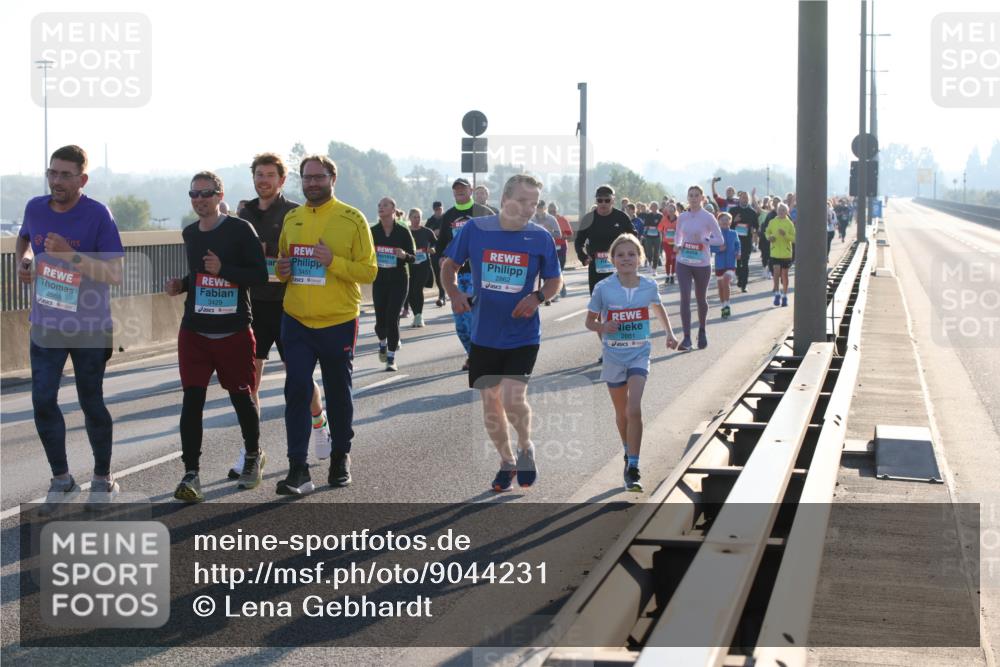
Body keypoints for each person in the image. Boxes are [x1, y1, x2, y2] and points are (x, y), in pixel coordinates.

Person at [16, 144, 125, 510]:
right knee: (42, 400)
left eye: (65, 174)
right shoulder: (35, 208)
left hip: (89, 327)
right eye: (52, 173)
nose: (57, 181)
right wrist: (25, 260)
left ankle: (103, 479)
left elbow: (114, 274)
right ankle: (61, 480)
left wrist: (69, 255)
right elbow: (25, 238)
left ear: (82, 179)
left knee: (91, 401)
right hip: (46, 324)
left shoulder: (98, 215)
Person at [441, 174, 562, 492]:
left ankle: (525, 446)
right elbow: (449, 265)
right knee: (491, 402)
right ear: (505, 199)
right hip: (484, 334)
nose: (528, 208)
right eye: (522, 201)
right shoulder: (475, 229)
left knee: (512, 397)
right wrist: (454, 293)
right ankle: (507, 462)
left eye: (534, 203)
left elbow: (554, 280)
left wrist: (537, 297)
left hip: (523, 334)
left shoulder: (540, 237)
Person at [273, 155, 377, 495]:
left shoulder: (352, 218)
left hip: (338, 321)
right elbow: (282, 264)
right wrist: (283, 270)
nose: (312, 183)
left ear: (333, 178)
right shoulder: (292, 218)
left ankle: (340, 456)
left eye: (319, 177)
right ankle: (297, 468)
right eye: (307, 178)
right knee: (296, 390)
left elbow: (369, 271)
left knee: (337, 391)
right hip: (297, 320)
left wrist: (333, 261)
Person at [165, 171, 269, 502]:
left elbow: (259, 275)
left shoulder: (241, 229)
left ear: (219, 195)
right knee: (192, 400)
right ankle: (191, 473)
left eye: (205, 193)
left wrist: (223, 269)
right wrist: (181, 284)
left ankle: (253, 454)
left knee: (241, 397)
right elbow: (199, 274)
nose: (199, 200)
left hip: (233, 331)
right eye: (193, 194)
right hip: (195, 331)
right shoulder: (190, 233)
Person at [236, 152, 330, 480]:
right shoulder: (244, 213)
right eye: (259, 175)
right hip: (253, 305)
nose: (263, 181)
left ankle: (319, 422)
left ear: (282, 180)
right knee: (250, 381)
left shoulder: (294, 213)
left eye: (269, 175)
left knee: (299, 378)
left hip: (288, 305)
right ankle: (252, 450)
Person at [586, 234, 678, 491]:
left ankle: (634, 467)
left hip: (639, 353)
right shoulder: (603, 288)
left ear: (640, 257)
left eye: (631, 254)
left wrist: (670, 334)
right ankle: (628, 452)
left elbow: (658, 308)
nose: (626, 258)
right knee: (621, 413)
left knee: (633, 409)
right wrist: (603, 326)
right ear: (612, 260)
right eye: (620, 255)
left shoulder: (649, 285)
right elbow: (590, 321)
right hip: (614, 356)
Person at [434, 178, 494, 370]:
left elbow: (500, 239)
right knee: (461, 324)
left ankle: (483, 357)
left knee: (478, 320)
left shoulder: (484, 212)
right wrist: (442, 258)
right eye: (456, 189)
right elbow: (441, 244)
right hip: (459, 275)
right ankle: (473, 354)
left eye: (463, 188)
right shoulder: (449, 216)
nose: (459, 191)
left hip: (482, 275)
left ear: (471, 190)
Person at [574, 185, 637, 361]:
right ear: (596, 200)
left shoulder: (621, 217)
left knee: (622, 307)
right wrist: (583, 257)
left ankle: (625, 344)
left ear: (613, 200)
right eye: (600, 200)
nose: (603, 203)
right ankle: (608, 348)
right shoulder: (589, 218)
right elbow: (578, 241)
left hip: (620, 269)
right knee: (600, 309)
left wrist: (631, 257)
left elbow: (633, 237)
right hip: (597, 269)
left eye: (607, 200)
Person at [675, 185, 724, 350]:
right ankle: (686, 338)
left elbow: (720, 240)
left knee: (701, 298)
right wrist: (678, 244)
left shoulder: (708, 217)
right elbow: (678, 236)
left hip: (702, 263)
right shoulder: (682, 217)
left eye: (697, 195)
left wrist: (705, 240)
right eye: (691, 195)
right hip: (683, 261)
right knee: (685, 298)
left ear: (702, 198)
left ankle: (702, 331)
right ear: (687, 198)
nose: (693, 198)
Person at [372, 197, 416, 371]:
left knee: (392, 318)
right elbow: (364, 254)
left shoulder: (403, 231)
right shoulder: (372, 231)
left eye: (385, 205)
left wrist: (404, 255)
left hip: (399, 280)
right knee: (380, 322)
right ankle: (382, 343)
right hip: (379, 280)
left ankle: (391, 358)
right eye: (379, 205)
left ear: (393, 209)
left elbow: (413, 257)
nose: (381, 207)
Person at [407, 207, 436, 328]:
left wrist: (433, 249)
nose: (417, 219)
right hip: (409, 266)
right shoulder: (405, 231)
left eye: (419, 217)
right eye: (414, 217)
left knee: (417, 289)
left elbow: (436, 243)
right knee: (410, 292)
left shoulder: (427, 231)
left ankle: (419, 316)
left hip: (423, 265)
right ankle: (416, 315)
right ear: (409, 218)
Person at [711, 212, 740, 319]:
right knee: (720, 287)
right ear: (718, 222)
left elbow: (738, 245)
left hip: (731, 263)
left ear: (730, 222)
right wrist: (719, 249)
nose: (724, 221)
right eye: (722, 219)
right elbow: (710, 247)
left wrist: (738, 252)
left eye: (727, 219)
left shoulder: (734, 233)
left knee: (726, 281)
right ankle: (723, 306)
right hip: (719, 264)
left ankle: (727, 305)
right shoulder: (715, 234)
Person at [766, 203, 796, 307]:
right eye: (779, 210)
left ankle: (784, 295)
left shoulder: (789, 223)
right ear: (777, 211)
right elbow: (767, 232)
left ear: (787, 212)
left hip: (786, 253)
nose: (781, 212)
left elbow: (794, 239)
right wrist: (769, 237)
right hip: (775, 252)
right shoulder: (772, 222)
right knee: (776, 273)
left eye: (783, 210)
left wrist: (785, 235)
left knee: (784, 275)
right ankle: (777, 293)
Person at [728, 191, 759, 293]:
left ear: (748, 200)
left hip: (746, 241)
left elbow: (756, 226)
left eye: (746, 198)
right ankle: (739, 276)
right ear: (739, 199)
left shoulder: (752, 212)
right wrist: (734, 220)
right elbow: (726, 225)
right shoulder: (733, 211)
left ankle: (744, 284)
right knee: (737, 262)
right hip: (735, 240)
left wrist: (754, 230)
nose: (744, 199)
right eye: (743, 197)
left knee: (745, 262)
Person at [532, 200, 562, 303]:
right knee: (536, 273)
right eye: (538, 208)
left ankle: (547, 296)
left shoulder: (551, 219)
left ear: (545, 208)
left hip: (548, 248)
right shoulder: (532, 219)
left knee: (547, 273)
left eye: (541, 208)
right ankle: (537, 295)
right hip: (535, 249)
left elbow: (558, 234)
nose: (539, 210)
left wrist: (548, 233)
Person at [548, 201, 573, 298]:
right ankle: (557, 290)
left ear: (557, 211)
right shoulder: (546, 220)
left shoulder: (562, 220)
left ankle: (560, 288)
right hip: (549, 247)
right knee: (552, 270)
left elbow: (569, 234)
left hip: (561, 247)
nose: (552, 213)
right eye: (550, 211)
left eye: (554, 211)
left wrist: (565, 236)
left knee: (559, 269)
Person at [426, 201, 447, 306]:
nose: (438, 211)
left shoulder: (447, 218)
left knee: (447, 273)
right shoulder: (430, 221)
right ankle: (441, 295)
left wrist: (442, 232)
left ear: (442, 208)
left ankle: (447, 294)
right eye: (436, 209)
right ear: (433, 210)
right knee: (438, 274)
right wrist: (434, 233)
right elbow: (425, 235)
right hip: (435, 251)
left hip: (447, 250)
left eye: (440, 209)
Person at [639, 201, 663, 276]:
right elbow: (645, 226)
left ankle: (654, 269)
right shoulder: (648, 215)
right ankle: (650, 263)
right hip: (649, 236)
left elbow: (662, 226)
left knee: (656, 252)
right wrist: (644, 234)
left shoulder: (660, 216)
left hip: (657, 236)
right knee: (649, 251)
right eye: (652, 206)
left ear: (657, 207)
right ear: (650, 207)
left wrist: (658, 228)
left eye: (655, 206)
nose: (654, 208)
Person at [658, 201, 679, 284]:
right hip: (666, 242)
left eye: (672, 210)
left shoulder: (678, 219)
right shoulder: (664, 219)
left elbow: (681, 230)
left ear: (675, 210)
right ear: (667, 211)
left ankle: (672, 275)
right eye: (669, 210)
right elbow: (659, 228)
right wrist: (664, 232)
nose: (670, 211)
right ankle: (667, 275)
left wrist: (675, 231)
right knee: (668, 259)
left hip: (675, 243)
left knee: (674, 259)